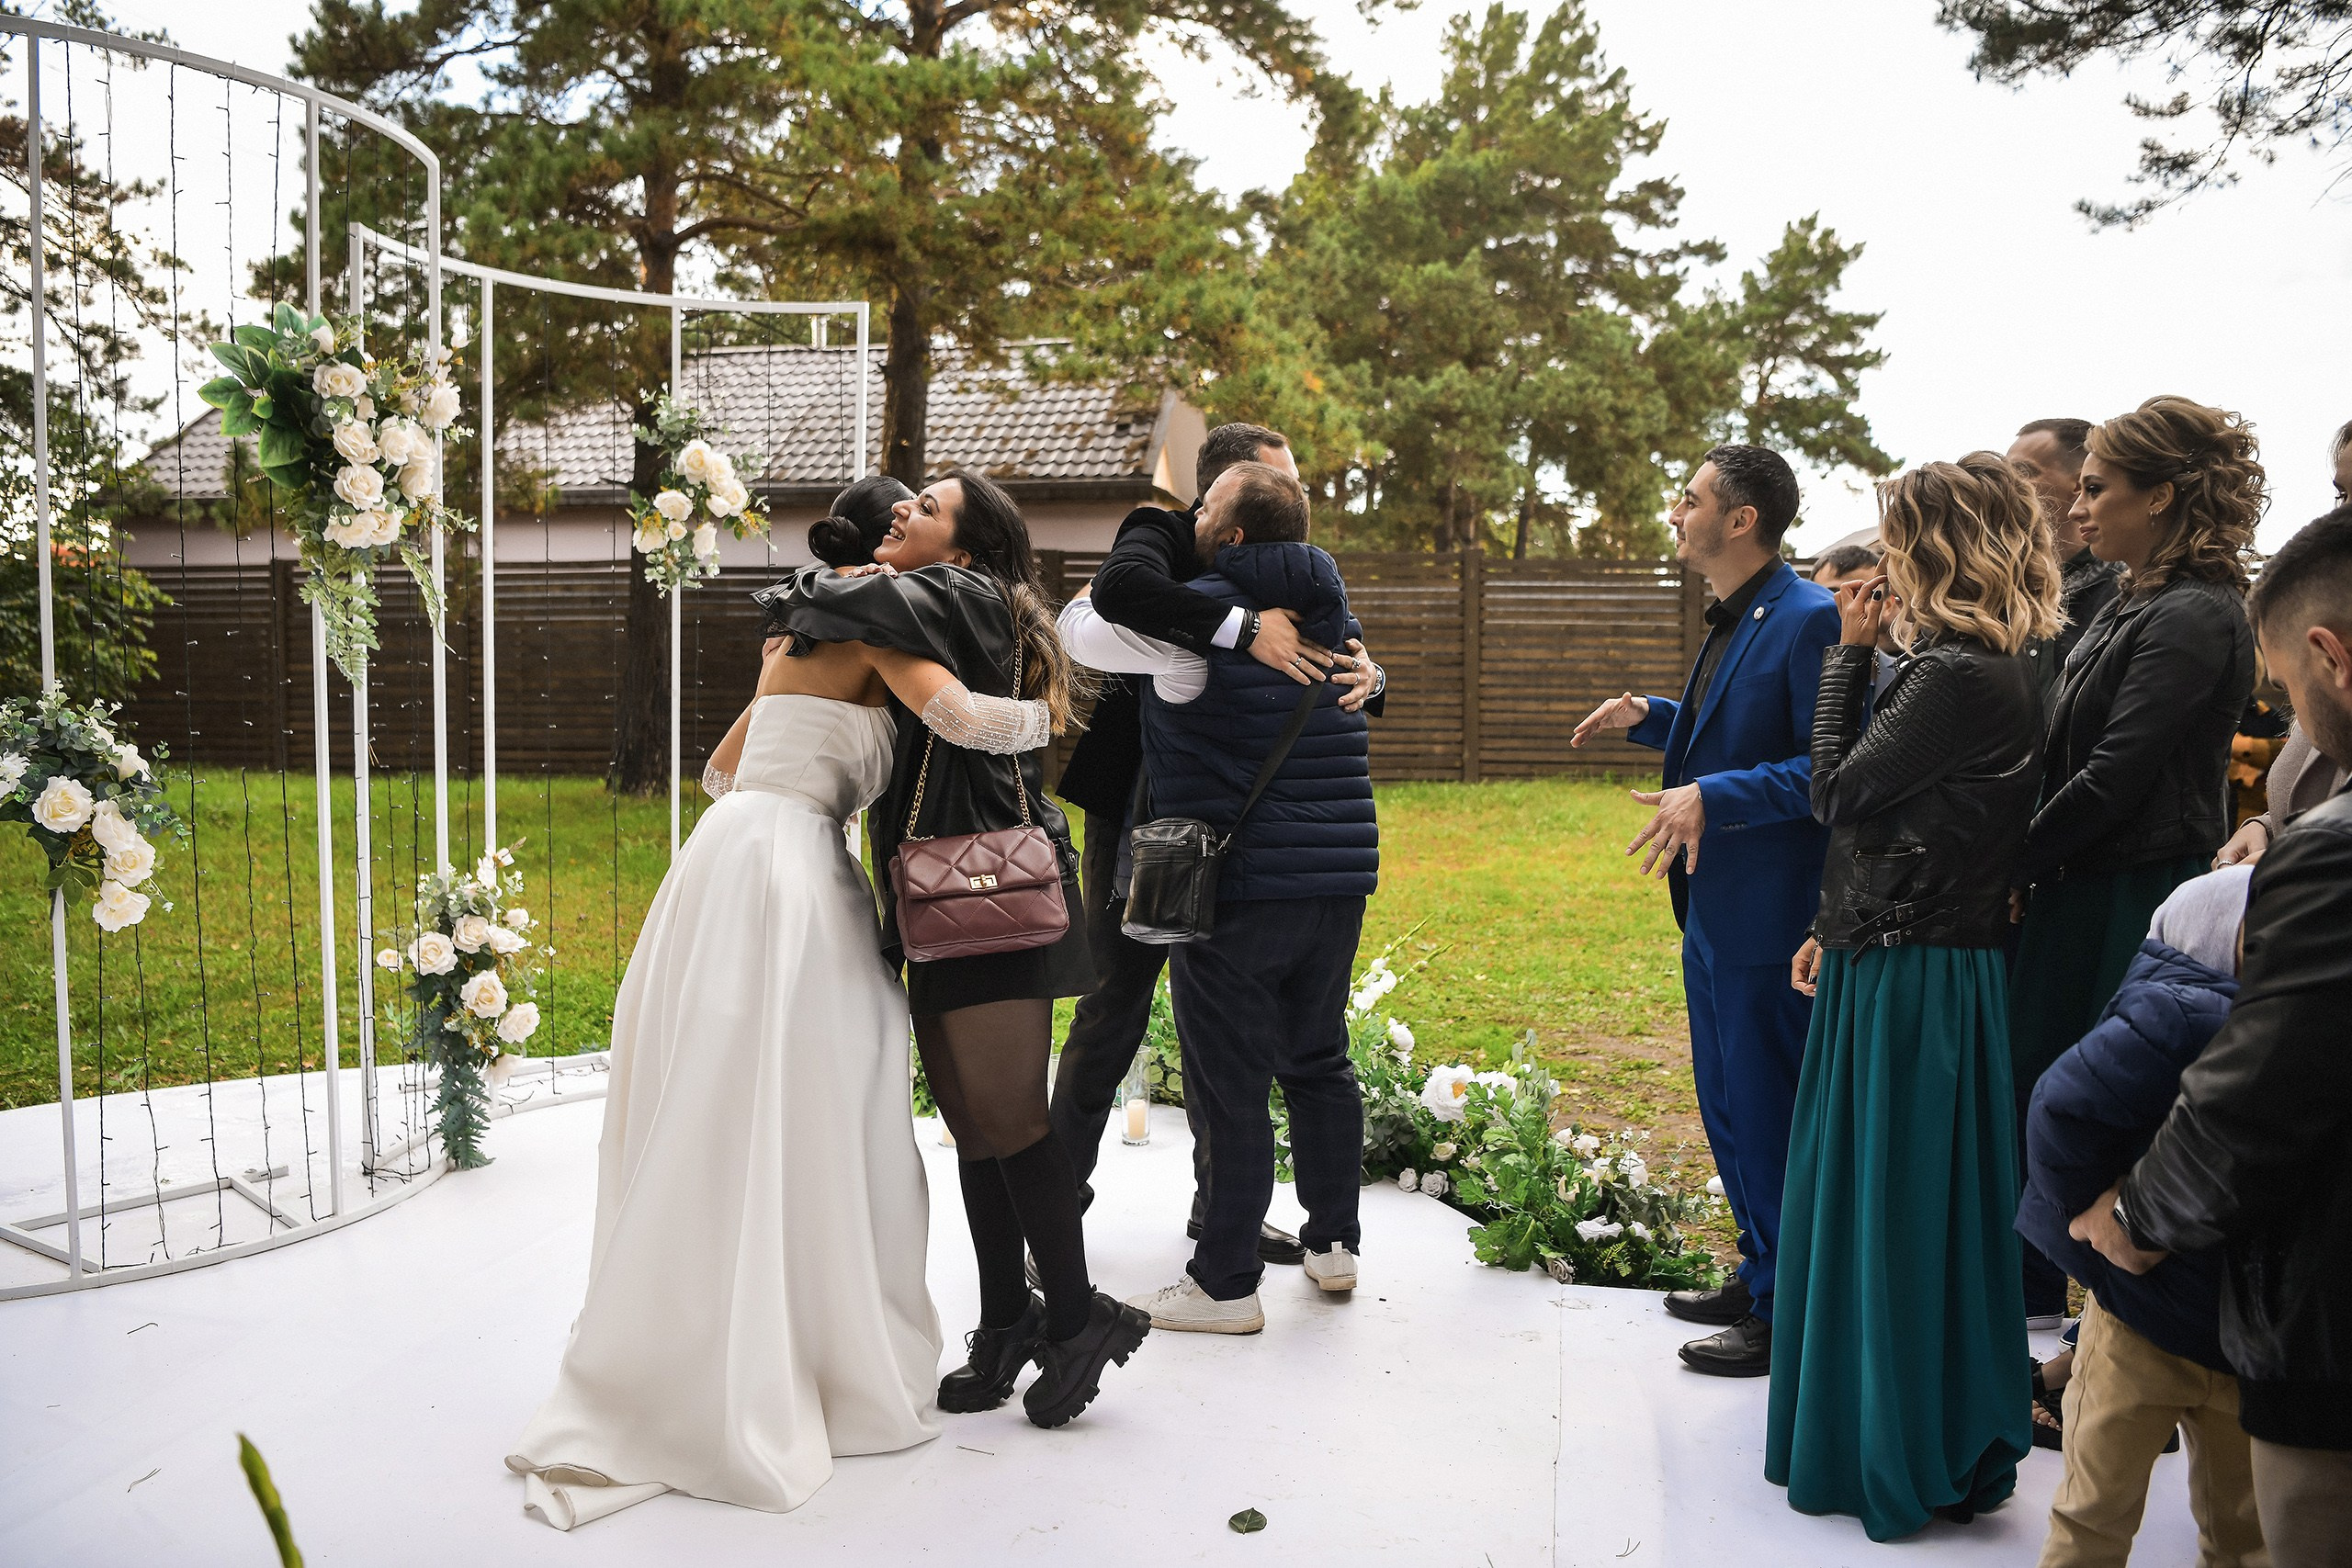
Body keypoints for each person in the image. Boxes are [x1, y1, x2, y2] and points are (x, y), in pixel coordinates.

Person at [503, 479, 1063, 1528]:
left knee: (717, 1090)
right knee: (821, 1094)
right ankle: (804, 1335)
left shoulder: (793, 630)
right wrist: (1055, 708)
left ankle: (694, 1325)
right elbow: (968, 721)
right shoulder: (873, 620)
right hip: (794, 871)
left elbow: (720, 775)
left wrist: (792, 769)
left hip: (722, 862)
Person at [766, 469, 1150, 1431]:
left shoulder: (964, 595)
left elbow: (830, 595)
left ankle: (1076, 1318)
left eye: (926, 510)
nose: (904, 512)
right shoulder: (932, 605)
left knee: (1013, 1120)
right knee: (975, 1130)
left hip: (987, 895)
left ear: (968, 553)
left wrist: (813, 581)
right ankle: (1006, 1322)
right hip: (942, 897)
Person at [1770, 453, 2056, 1540]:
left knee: (1894, 1202)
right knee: (1902, 1197)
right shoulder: (1994, 662)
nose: (1881, 557)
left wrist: (1844, 657)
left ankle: (1894, 1440)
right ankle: (1902, 1426)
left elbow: (1836, 792)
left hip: (1913, 968)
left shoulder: (1956, 674)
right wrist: (1824, 928)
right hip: (1907, 950)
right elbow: (1900, 821)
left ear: (1936, 547)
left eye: (1898, 535)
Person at [2075, 505, 2352, 1568]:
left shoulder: (2330, 859)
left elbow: (2264, 1081)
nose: (2288, 723)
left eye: (2284, 695)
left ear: (2328, 656)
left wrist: (2140, 1215)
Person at [1060, 462, 1376, 1332]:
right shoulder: (1340, 618)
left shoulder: (1187, 627)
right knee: (1319, 1060)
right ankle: (1333, 1246)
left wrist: (1158, 564)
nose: (1191, 517)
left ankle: (1226, 1282)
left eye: (1202, 509)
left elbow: (1077, 626)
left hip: (1237, 886)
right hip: (1338, 878)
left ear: (1231, 534)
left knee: (1230, 1082)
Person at [1571, 445, 1838, 1378]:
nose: (1674, 514)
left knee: (1766, 1111)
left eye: (1687, 500)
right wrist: (1653, 714)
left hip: (1771, 914)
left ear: (1739, 519)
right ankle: (1759, 1269)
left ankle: (1785, 1310)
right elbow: (1733, 716)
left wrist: (1713, 797)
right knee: (1725, 1105)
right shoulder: (1742, 611)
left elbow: (1825, 770)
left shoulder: (1812, 619)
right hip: (1716, 908)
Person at [2018, 864, 2264, 1568]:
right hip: (2139, 1326)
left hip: (2236, 1337)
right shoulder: (2182, 1016)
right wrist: (2089, 1217)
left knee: (2243, 1531)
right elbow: (2059, 1108)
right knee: (2094, 1513)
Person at [2008, 418, 2124, 672]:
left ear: (2079, 484)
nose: (2007, 484)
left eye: (2024, 472)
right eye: (2004, 473)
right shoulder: (2004, 583)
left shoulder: (2120, 588)